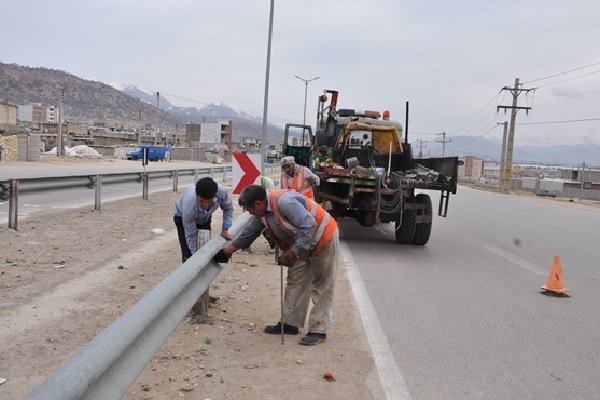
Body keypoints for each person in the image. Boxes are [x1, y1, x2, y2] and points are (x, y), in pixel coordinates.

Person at [216, 185, 339, 346]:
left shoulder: (285, 202)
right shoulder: (262, 213)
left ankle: (318, 329)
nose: (249, 212)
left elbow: (309, 226)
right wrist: (228, 251)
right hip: (301, 243)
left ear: (258, 204)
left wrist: (293, 252)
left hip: (322, 238)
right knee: (296, 281)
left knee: (321, 285)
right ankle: (290, 323)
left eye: (249, 209)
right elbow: (250, 232)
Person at [173, 177, 233, 263]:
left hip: (205, 218)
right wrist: (197, 257)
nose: (205, 205)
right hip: (182, 218)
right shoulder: (189, 204)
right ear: (196, 195)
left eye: (209, 201)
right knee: (189, 255)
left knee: (205, 247)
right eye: (201, 201)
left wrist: (225, 229)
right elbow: (191, 235)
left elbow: (228, 208)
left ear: (215, 195)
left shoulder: (221, 192)